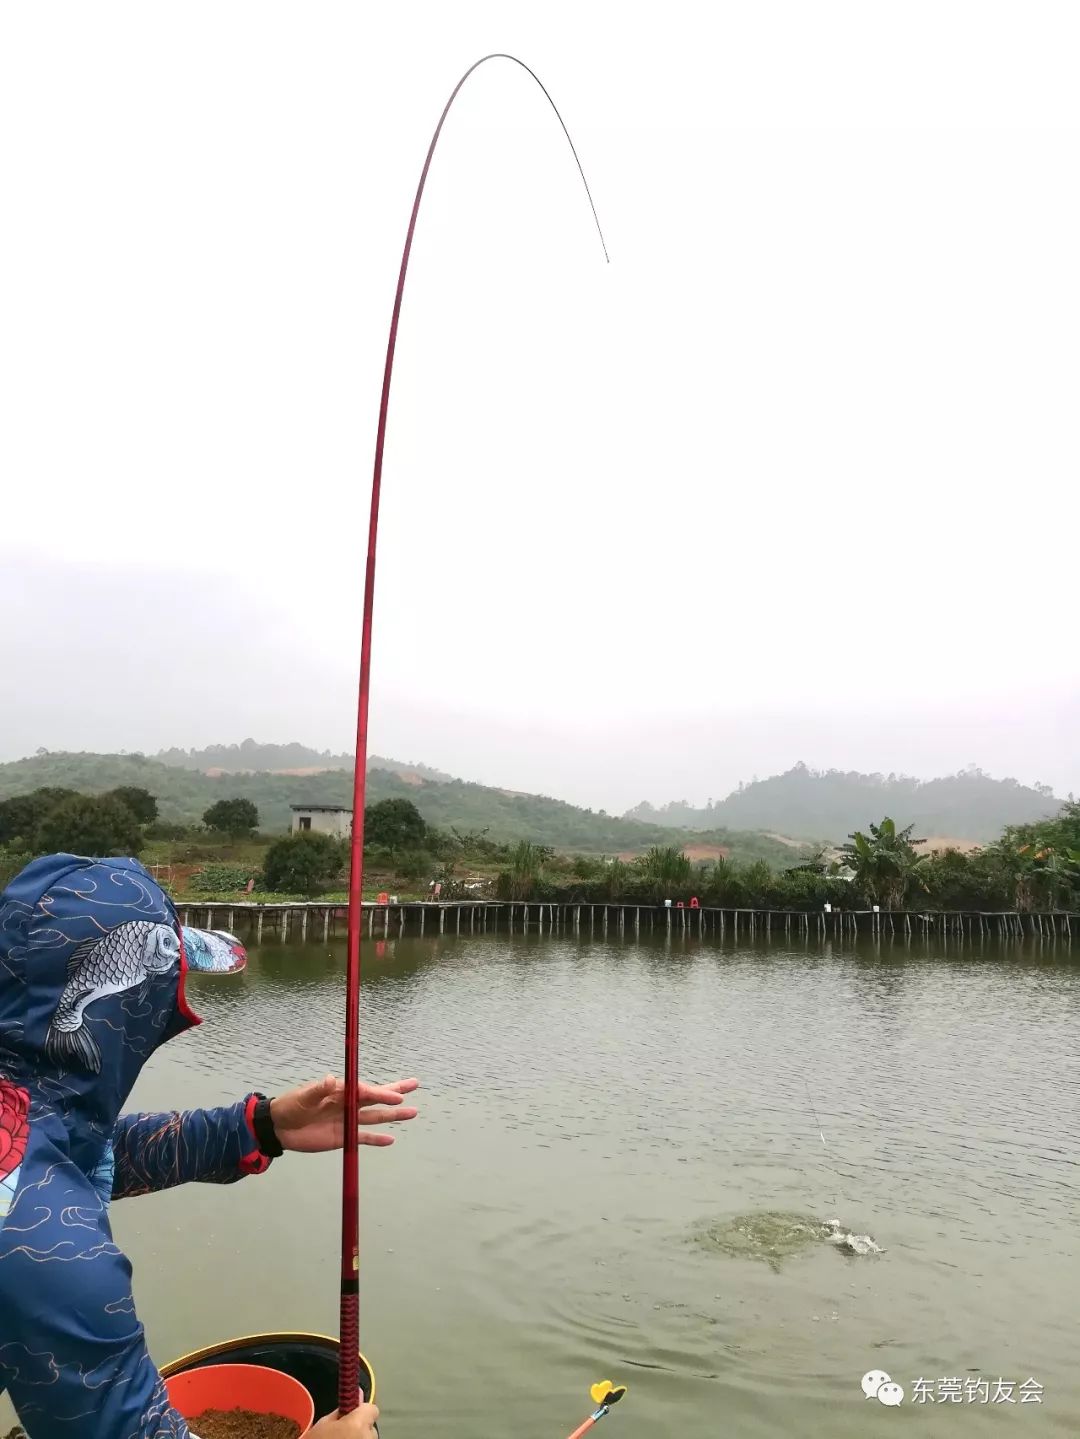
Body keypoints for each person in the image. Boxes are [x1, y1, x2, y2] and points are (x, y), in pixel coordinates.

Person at [0, 853, 418, 1438]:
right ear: (130, 1009)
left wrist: (260, 1126)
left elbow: (66, 1159)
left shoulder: (20, 1120)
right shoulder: (53, 1255)